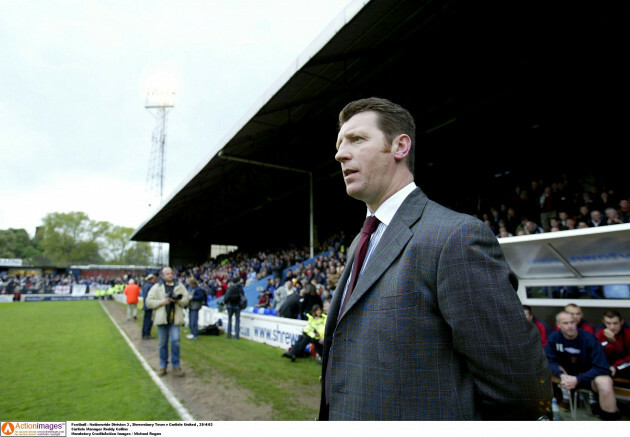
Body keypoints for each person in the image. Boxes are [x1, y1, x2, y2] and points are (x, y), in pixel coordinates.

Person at [320, 97, 552, 420]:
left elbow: (522, 388)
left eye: (356, 139)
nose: (340, 153)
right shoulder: (360, 243)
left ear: (400, 147)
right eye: (340, 143)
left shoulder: (454, 238)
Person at [545, 311, 619, 420]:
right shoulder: (554, 338)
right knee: (541, 376)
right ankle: (546, 415)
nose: (570, 326)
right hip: (565, 378)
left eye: (572, 322)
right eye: (565, 323)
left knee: (605, 381)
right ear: (558, 325)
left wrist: (578, 379)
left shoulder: (589, 339)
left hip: (588, 378)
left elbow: (602, 367)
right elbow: (549, 360)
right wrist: (560, 374)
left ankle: (610, 420)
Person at [146, 267, 190, 377]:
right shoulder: (157, 287)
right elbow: (148, 302)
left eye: (171, 273)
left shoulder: (180, 286)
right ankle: (162, 365)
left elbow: (186, 299)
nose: (170, 275)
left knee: (175, 341)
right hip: (162, 319)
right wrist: (162, 302)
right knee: (162, 344)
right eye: (167, 274)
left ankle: (176, 365)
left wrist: (177, 301)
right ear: (162, 276)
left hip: (175, 319)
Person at [595, 310, 630, 381]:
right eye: (608, 323)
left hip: (624, 365)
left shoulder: (628, 332)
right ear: (603, 322)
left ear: (621, 322)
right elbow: (597, 355)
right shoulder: (599, 333)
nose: (612, 327)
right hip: (607, 367)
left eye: (615, 323)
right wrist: (608, 342)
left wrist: (615, 367)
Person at [141, 273, 158, 339]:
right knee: (149, 321)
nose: (155, 280)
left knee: (145, 321)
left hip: (146, 305)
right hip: (149, 306)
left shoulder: (145, 286)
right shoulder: (151, 286)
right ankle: (147, 334)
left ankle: (144, 334)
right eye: (154, 279)